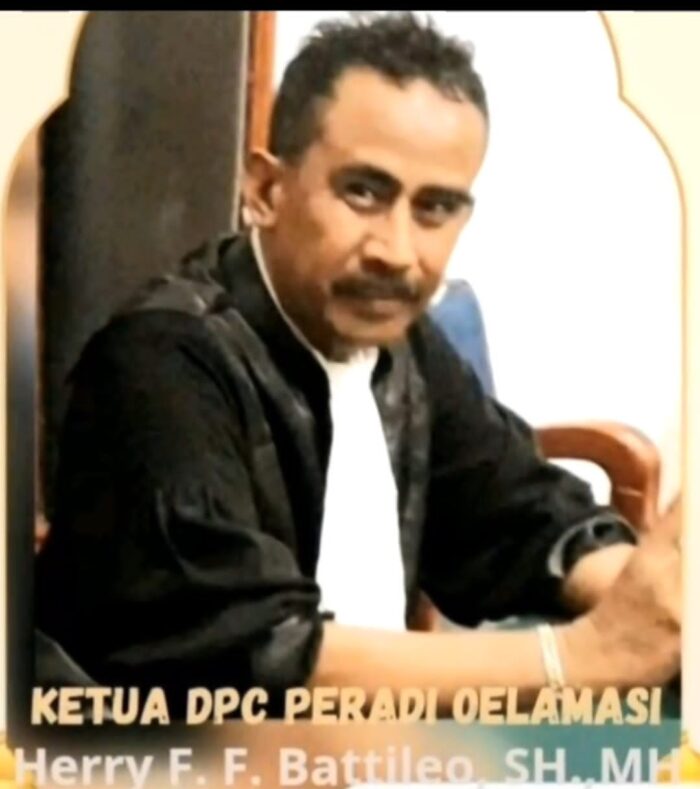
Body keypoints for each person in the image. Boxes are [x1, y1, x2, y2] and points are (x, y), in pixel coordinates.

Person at [35, 12, 680, 714]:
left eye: (435, 208)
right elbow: (254, 656)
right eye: (363, 193)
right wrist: (578, 660)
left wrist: (655, 601)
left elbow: (515, 511)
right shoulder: (156, 364)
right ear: (266, 190)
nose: (396, 251)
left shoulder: (401, 343)